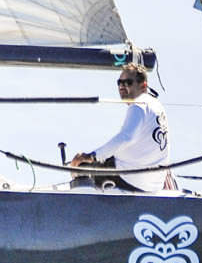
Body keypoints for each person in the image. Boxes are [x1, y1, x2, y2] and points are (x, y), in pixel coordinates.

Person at [70, 63, 174, 192]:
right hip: (154, 184)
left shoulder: (139, 104)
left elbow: (126, 137)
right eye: (119, 82)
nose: (122, 86)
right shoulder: (156, 105)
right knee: (105, 158)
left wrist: (92, 156)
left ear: (143, 86)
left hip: (130, 179)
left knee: (82, 166)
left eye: (128, 82)